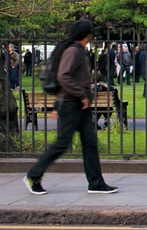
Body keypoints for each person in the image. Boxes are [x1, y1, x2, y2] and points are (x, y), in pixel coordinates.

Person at [24, 18, 118, 195]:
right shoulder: (73, 52)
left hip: (79, 105)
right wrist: (81, 95)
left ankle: (96, 183)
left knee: (90, 143)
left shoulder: (78, 50)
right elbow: (63, 76)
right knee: (62, 143)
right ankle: (33, 175)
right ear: (87, 34)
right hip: (70, 104)